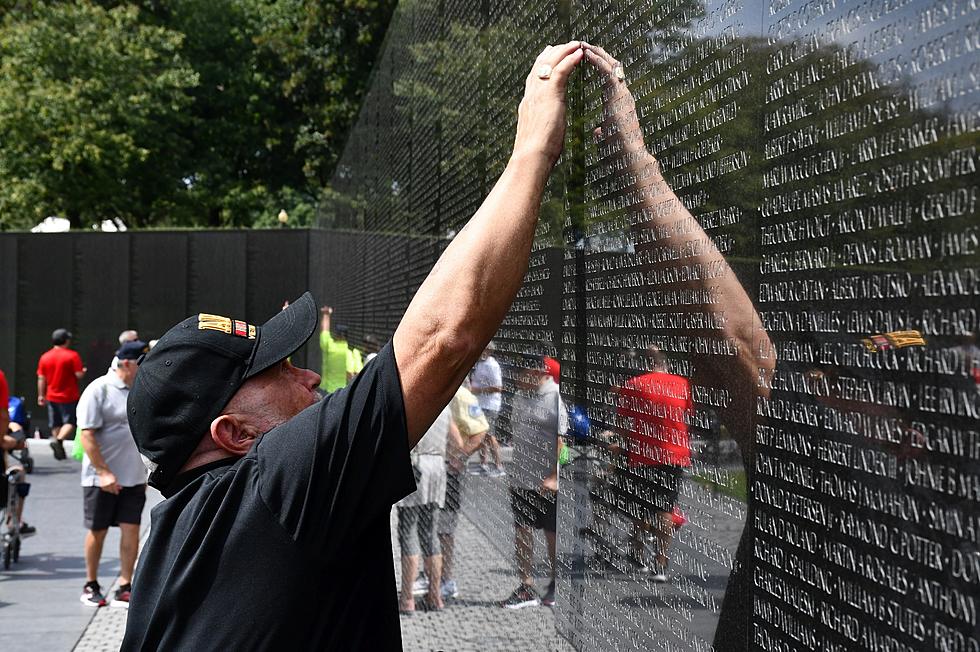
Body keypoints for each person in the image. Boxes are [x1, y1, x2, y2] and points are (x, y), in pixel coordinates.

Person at [121, 41, 585, 650]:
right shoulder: (268, 491)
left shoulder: (179, 536)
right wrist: (534, 150)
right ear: (232, 433)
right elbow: (445, 340)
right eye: (279, 370)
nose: (310, 379)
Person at [76, 340, 149, 608]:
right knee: (98, 530)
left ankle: (125, 586)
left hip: (134, 477)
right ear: (127, 364)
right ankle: (91, 584)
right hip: (101, 479)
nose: (145, 369)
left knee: (132, 529)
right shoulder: (99, 390)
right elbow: (87, 436)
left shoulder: (140, 391)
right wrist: (104, 472)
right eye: (141, 365)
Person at [614, 345, 693, 581]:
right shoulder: (682, 384)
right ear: (665, 364)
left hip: (642, 453)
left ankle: (638, 556)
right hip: (674, 453)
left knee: (640, 505)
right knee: (666, 509)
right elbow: (687, 417)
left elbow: (622, 424)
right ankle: (661, 562)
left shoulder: (633, 385)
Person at [501, 354, 567, 610]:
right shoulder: (519, 397)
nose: (517, 378)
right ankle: (526, 586)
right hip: (521, 478)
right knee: (522, 531)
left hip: (547, 481)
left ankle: (554, 583)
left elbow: (564, 444)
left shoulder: (555, 398)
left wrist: (554, 476)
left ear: (537, 373)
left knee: (551, 534)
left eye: (521, 373)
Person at [397, 406, 452, 613]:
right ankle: (435, 596)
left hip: (415, 467)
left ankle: (408, 599)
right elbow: (455, 439)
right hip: (437, 469)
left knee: (408, 533)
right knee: (431, 534)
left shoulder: (413, 404)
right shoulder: (444, 405)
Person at [438, 383, 489, 599]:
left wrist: (458, 458)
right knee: (431, 527)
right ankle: (434, 573)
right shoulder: (440, 390)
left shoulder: (461, 395)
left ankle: (446, 579)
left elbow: (479, 432)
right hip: (433, 469)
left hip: (449, 472)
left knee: (445, 529)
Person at [37, 328, 86, 460]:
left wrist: (41, 395)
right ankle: (58, 441)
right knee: (71, 422)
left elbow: (41, 378)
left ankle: (59, 445)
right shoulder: (72, 355)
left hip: (51, 395)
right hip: (69, 396)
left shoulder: (45, 357)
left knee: (56, 423)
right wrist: (84, 370)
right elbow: (79, 374)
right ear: (65, 341)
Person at [469, 343, 505, 476]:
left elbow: (498, 387)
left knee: (490, 436)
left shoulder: (492, 365)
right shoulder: (480, 363)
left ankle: (499, 466)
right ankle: (483, 464)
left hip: (490, 406)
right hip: (479, 404)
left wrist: (478, 390)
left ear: (488, 350)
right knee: (482, 436)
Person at [318, 305, 362, 392]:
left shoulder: (329, 345)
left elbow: (324, 331)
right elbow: (353, 373)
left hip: (326, 390)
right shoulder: (350, 353)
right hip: (342, 392)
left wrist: (326, 315)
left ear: (336, 335)